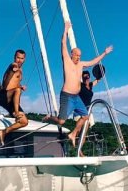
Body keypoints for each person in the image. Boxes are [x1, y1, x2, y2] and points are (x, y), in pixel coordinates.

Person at [44, 22, 113, 154]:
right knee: (61, 121)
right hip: (67, 96)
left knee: (85, 117)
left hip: (76, 98)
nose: (78, 58)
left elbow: (93, 62)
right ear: (71, 54)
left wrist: (104, 53)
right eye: (76, 55)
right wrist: (65, 29)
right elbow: (63, 43)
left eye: (80, 56)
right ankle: (49, 118)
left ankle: (73, 134)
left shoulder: (81, 64)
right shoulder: (67, 60)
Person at [0, 49, 29, 145]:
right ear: (15, 57)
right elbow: (13, 67)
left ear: (24, 59)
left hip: (11, 99)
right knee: (17, 90)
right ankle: (17, 114)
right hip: (3, 96)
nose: (19, 60)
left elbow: (14, 83)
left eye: (21, 58)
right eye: (18, 58)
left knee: (24, 122)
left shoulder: (21, 70)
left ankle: (3, 132)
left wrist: (20, 86)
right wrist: (15, 67)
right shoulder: (13, 65)